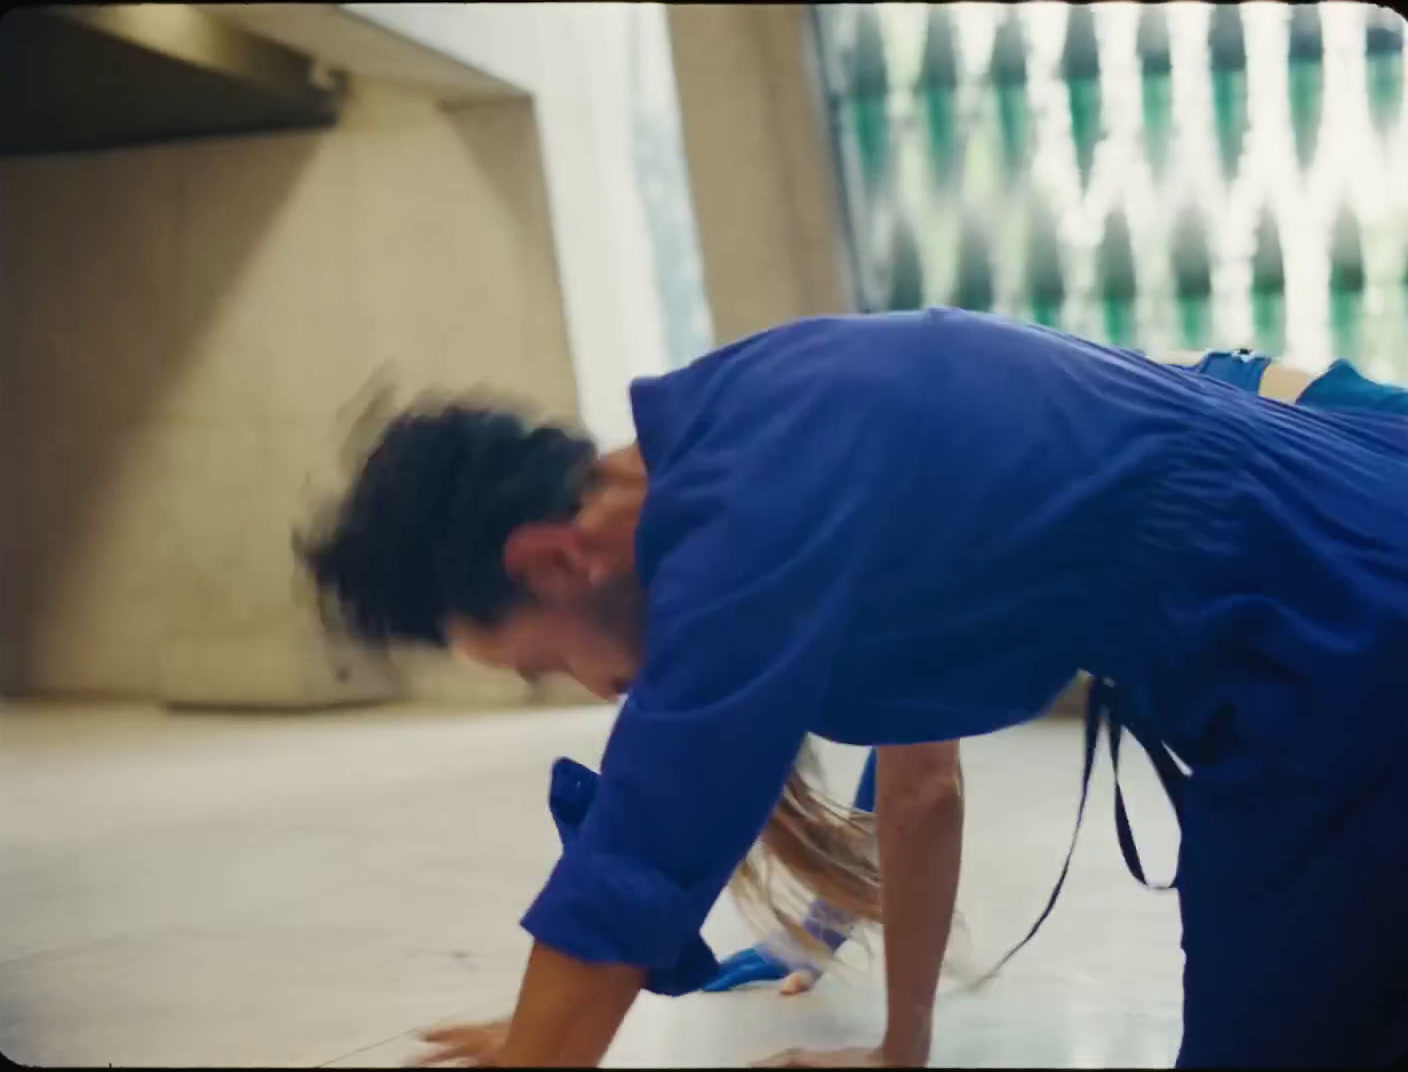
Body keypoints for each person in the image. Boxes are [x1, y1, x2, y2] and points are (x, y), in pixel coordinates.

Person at [298, 310, 1408, 1068]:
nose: (591, 690)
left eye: (546, 662)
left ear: (552, 558)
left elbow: (641, 844)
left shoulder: (745, 523)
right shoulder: (743, 425)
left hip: (1335, 625)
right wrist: (898, 1048)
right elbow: (917, 789)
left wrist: (545, 1044)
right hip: (1325, 565)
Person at [702, 346, 1408, 998]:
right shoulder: (856, 508)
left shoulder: (880, 505)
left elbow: (922, 783)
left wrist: (894, 1037)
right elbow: (911, 750)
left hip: (1312, 451)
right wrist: (823, 926)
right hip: (1280, 474)